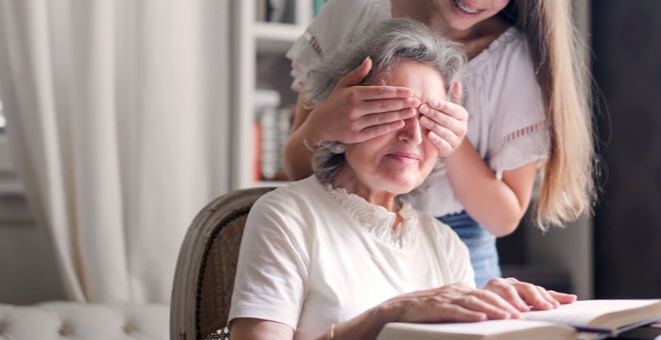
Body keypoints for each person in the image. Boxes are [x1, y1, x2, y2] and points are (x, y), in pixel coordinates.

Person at [283, 0, 596, 287]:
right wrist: (324, 124)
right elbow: (296, 169)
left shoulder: (514, 59)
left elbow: (503, 218)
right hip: (343, 229)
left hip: (460, 246)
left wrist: (450, 138)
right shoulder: (356, 6)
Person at [228, 18, 576, 340]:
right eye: (393, 112)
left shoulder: (445, 244)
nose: (413, 134)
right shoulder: (287, 217)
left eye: (430, 119)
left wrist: (507, 317)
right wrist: (387, 316)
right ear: (346, 113)